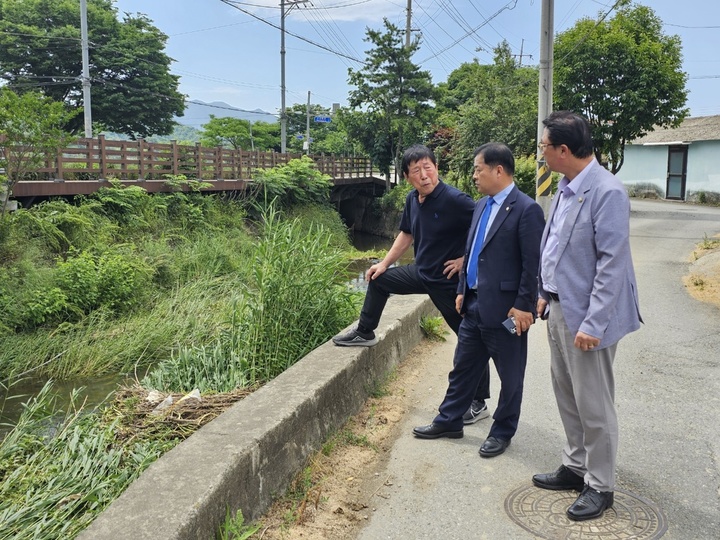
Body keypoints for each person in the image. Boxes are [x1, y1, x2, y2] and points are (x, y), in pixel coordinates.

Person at [532, 111, 642, 521]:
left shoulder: (607, 191)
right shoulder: (565, 187)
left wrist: (593, 324)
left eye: (544, 147)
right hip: (559, 307)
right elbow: (557, 246)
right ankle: (575, 466)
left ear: (563, 150)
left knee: (594, 404)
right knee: (567, 395)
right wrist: (543, 293)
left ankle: (600, 485)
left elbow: (612, 265)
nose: (541, 153)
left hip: (587, 319)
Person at [332, 144, 491, 424]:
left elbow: (487, 227)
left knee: (470, 339)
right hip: (422, 273)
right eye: (416, 171)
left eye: (428, 167)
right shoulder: (411, 200)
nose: (424, 175)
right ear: (407, 176)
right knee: (379, 280)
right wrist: (383, 263)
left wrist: (465, 260)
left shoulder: (455, 199)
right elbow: (406, 234)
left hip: (447, 283)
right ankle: (365, 331)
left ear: (436, 168)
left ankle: (478, 402)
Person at [412, 142, 544, 458]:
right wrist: (461, 289)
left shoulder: (526, 209)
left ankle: (501, 432)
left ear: (499, 171)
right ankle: (449, 421)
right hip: (473, 305)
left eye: (478, 169)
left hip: (507, 311)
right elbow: (471, 252)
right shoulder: (482, 205)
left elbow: (533, 264)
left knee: (510, 378)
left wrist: (525, 305)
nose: (474, 175)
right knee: (463, 369)